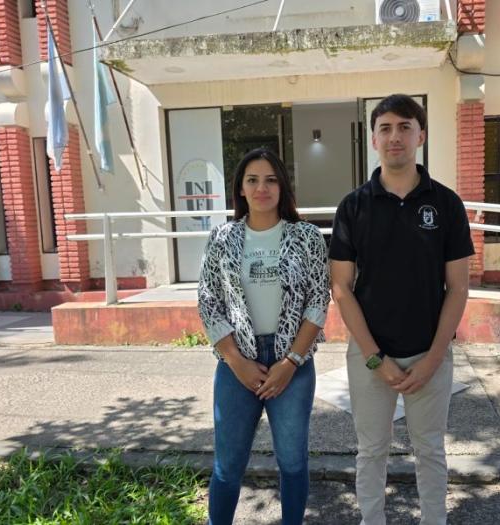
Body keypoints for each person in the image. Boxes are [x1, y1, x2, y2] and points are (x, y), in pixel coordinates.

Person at [329, 94, 475, 525]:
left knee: (429, 450)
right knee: (372, 450)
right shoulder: (353, 206)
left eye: (405, 127)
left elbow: (458, 287)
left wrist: (434, 358)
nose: (395, 136)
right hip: (370, 356)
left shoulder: (446, 204)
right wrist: (375, 358)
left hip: (429, 352)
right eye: (386, 128)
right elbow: (341, 288)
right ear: (374, 139)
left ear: (420, 136)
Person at [198, 147, 330, 525]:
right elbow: (209, 302)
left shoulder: (306, 236)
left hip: (293, 361)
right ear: (240, 188)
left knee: (293, 462)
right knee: (228, 466)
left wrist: (291, 362)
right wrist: (236, 361)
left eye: (271, 180)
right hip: (237, 360)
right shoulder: (222, 238)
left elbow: (318, 301)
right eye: (252, 180)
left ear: (282, 187)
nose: (262, 188)